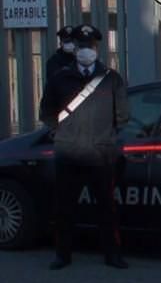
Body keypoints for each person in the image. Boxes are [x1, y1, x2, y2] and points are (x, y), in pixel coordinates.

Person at [39, 24, 131, 270]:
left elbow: (122, 115)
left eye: (89, 47)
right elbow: (46, 112)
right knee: (64, 208)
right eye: (81, 46)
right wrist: (61, 133)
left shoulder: (111, 78)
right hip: (68, 152)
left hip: (100, 154)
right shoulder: (61, 78)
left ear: (97, 48)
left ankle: (112, 254)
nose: (84, 51)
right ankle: (62, 255)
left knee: (106, 209)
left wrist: (105, 135)